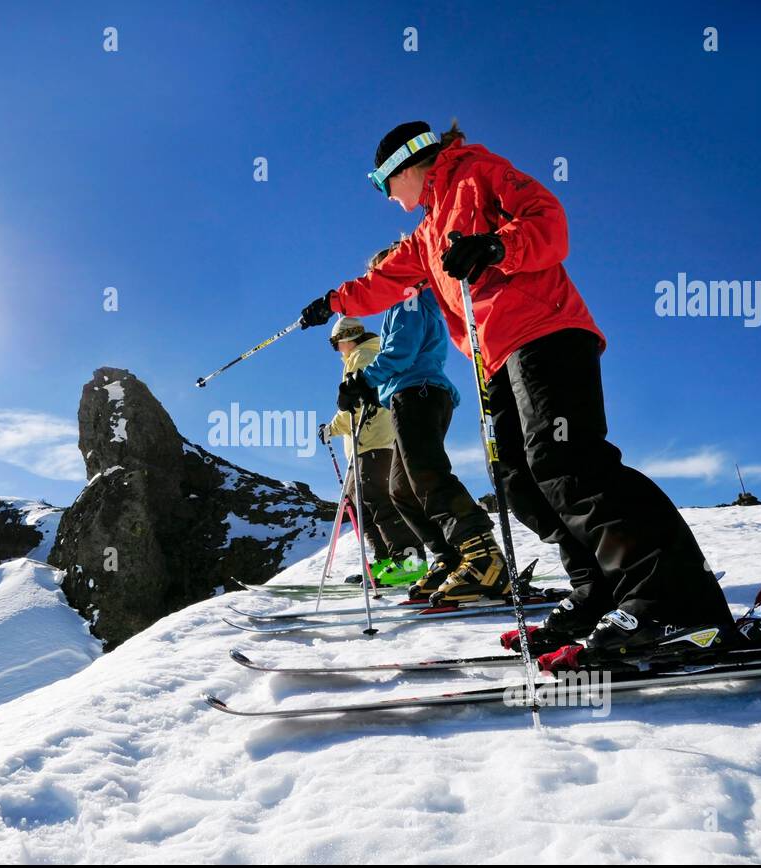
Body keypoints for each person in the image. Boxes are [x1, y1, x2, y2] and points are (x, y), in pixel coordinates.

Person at [300, 119, 733, 654]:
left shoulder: (478, 173)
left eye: (380, 182)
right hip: (496, 358)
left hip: (545, 331)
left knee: (568, 462)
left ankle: (675, 603)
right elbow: (383, 281)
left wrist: (495, 247)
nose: (385, 196)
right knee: (518, 479)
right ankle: (598, 591)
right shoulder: (428, 231)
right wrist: (334, 303)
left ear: (405, 166)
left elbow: (550, 223)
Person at [337, 245, 508, 604]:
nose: (377, 281)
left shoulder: (409, 295)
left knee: (426, 473)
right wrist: (373, 391)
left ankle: (483, 556)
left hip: (419, 392)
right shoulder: (407, 300)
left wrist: (364, 381)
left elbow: (402, 350)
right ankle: (449, 557)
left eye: (381, 272)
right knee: (401, 488)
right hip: (409, 393)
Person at [322, 316, 425, 587]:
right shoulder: (360, 356)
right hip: (364, 445)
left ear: (345, 339)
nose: (337, 351)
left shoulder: (363, 356)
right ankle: (385, 563)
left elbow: (356, 405)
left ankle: (408, 563)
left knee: (380, 503)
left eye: (336, 345)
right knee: (365, 507)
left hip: (374, 441)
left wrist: (332, 428)